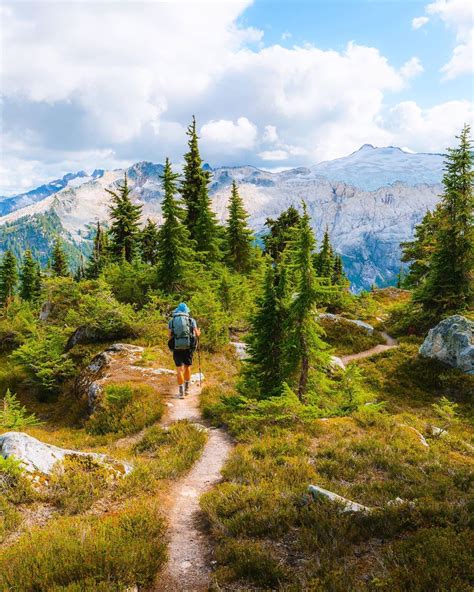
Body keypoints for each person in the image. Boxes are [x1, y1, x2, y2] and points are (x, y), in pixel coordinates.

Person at [168, 302, 201, 398]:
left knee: (179, 369)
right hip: (188, 347)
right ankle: (187, 389)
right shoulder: (191, 320)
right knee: (187, 367)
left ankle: (181, 392)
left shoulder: (172, 321)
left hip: (177, 347)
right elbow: (197, 334)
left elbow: (169, 335)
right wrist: (199, 332)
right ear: (186, 311)